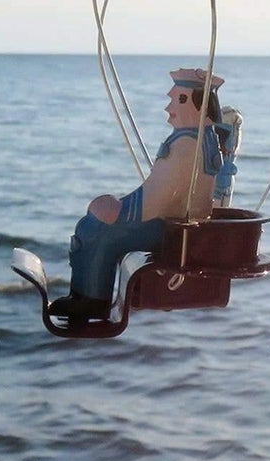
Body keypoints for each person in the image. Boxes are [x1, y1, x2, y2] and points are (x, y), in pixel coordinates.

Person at [49, 69, 225, 322]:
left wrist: (119, 211)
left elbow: (158, 198)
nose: (169, 108)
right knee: (99, 215)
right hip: (179, 224)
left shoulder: (185, 144)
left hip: (169, 228)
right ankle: (89, 297)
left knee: (95, 230)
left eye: (177, 100)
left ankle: (90, 301)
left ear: (195, 103)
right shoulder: (204, 138)